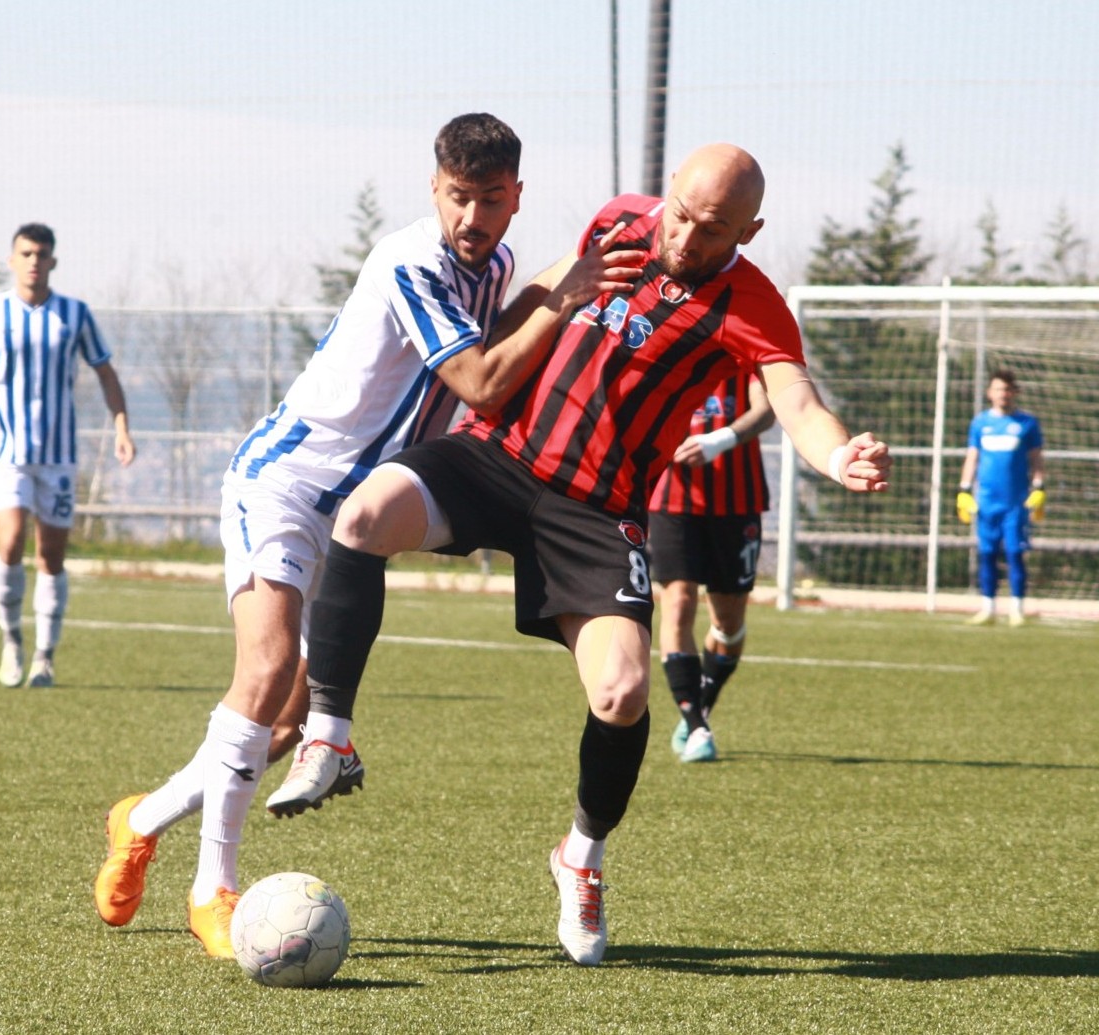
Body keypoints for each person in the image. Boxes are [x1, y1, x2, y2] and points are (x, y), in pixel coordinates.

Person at [264, 143, 892, 967]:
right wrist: (530, 318)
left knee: (622, 690)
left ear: (750, 229)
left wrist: (838, 453)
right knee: (366, 512)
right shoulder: (620, 221)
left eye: (711, 231)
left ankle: (580, 858)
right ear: (663, 198)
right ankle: (331, 734)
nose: (684, 239)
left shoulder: (754, 304)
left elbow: (795, 400)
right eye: (680, 216)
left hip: (597, 513)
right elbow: (540, 289)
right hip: (499, 456)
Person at [91, 113, 641, 958]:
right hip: (286, 482)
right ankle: (215, 888)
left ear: (513, 199)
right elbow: (482, 382)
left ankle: (143, 819)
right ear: (434, 189)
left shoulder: (490, 264)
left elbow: (511, 320)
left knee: (278, 728)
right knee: (268, 670)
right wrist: (565, 296)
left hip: (356, 513)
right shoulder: (408, 261)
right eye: (458, 197)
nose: (471, 216)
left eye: (489, 200)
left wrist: (571, 272)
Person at [0, 223, 135, 689]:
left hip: (59, 458)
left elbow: (105, 372)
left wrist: (121, 427)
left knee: (50, 557)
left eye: (41, 254)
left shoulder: (74, 313)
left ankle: (44, 656)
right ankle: (11, 642)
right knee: (10, 544)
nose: (33, 261)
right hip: (7, 454)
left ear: (52, 262)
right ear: (11, 260)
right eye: (25, 253)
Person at [650, 372, 774, 764]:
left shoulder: (745, 350)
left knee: (728, 623)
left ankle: (700, 708)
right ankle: (695, 722)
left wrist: (718, 440)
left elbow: (767, 410)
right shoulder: (662, 338)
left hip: (738, 503)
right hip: (670, 501)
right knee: (679, 603)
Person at [956, 368, 1045, 627]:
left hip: (1016, 502)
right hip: (986, 501)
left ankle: (1017, 608)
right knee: (987, 553)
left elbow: (1037, 458)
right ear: (989, 393)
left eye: (1007, 389)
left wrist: (1040, 487)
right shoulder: (981, 423)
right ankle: (988, 607)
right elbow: (972, 457)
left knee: (1016, 552)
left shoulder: (1027, 423)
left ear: (1014, 392)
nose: (1002, 394)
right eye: (997, 389)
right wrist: (963, 489)